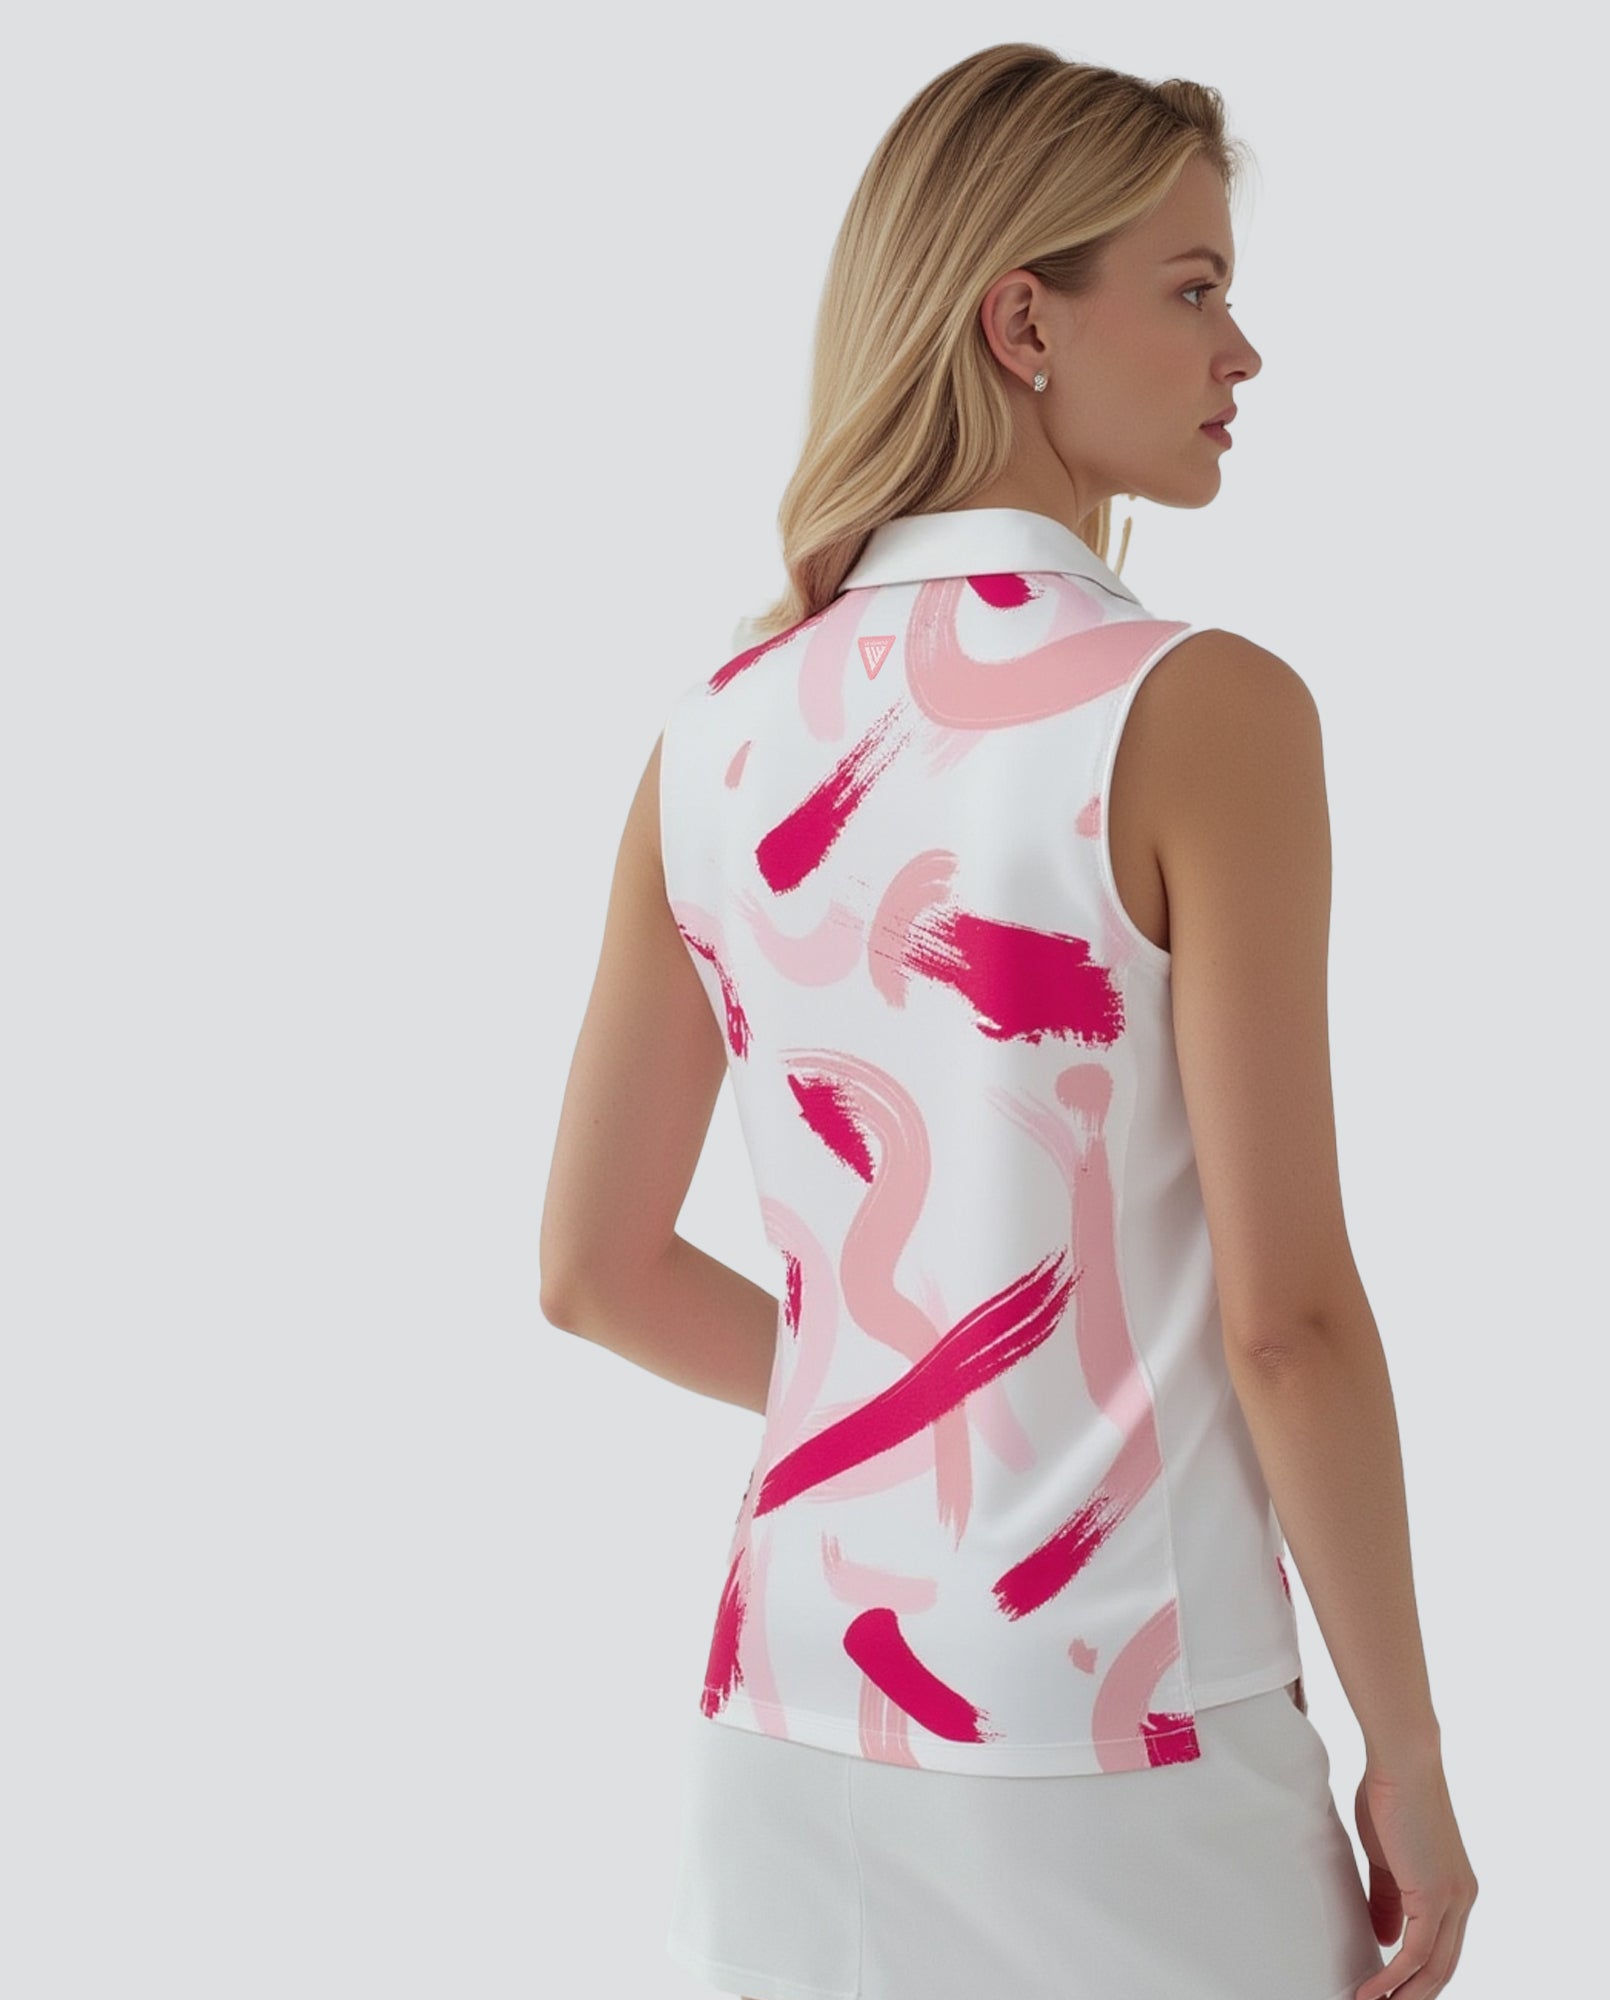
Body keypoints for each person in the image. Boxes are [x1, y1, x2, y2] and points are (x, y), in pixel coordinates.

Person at [539, 41, 1476, 2000]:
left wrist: (911, 1407)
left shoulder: (712, 736)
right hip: (1124, 1727)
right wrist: (1408, 1746)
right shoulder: (1199, 709)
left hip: (789, 1711)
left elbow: (597, 1272)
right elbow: (1286, 1322)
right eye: (1194, 288)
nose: (1242, 353)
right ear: (1021, 322)